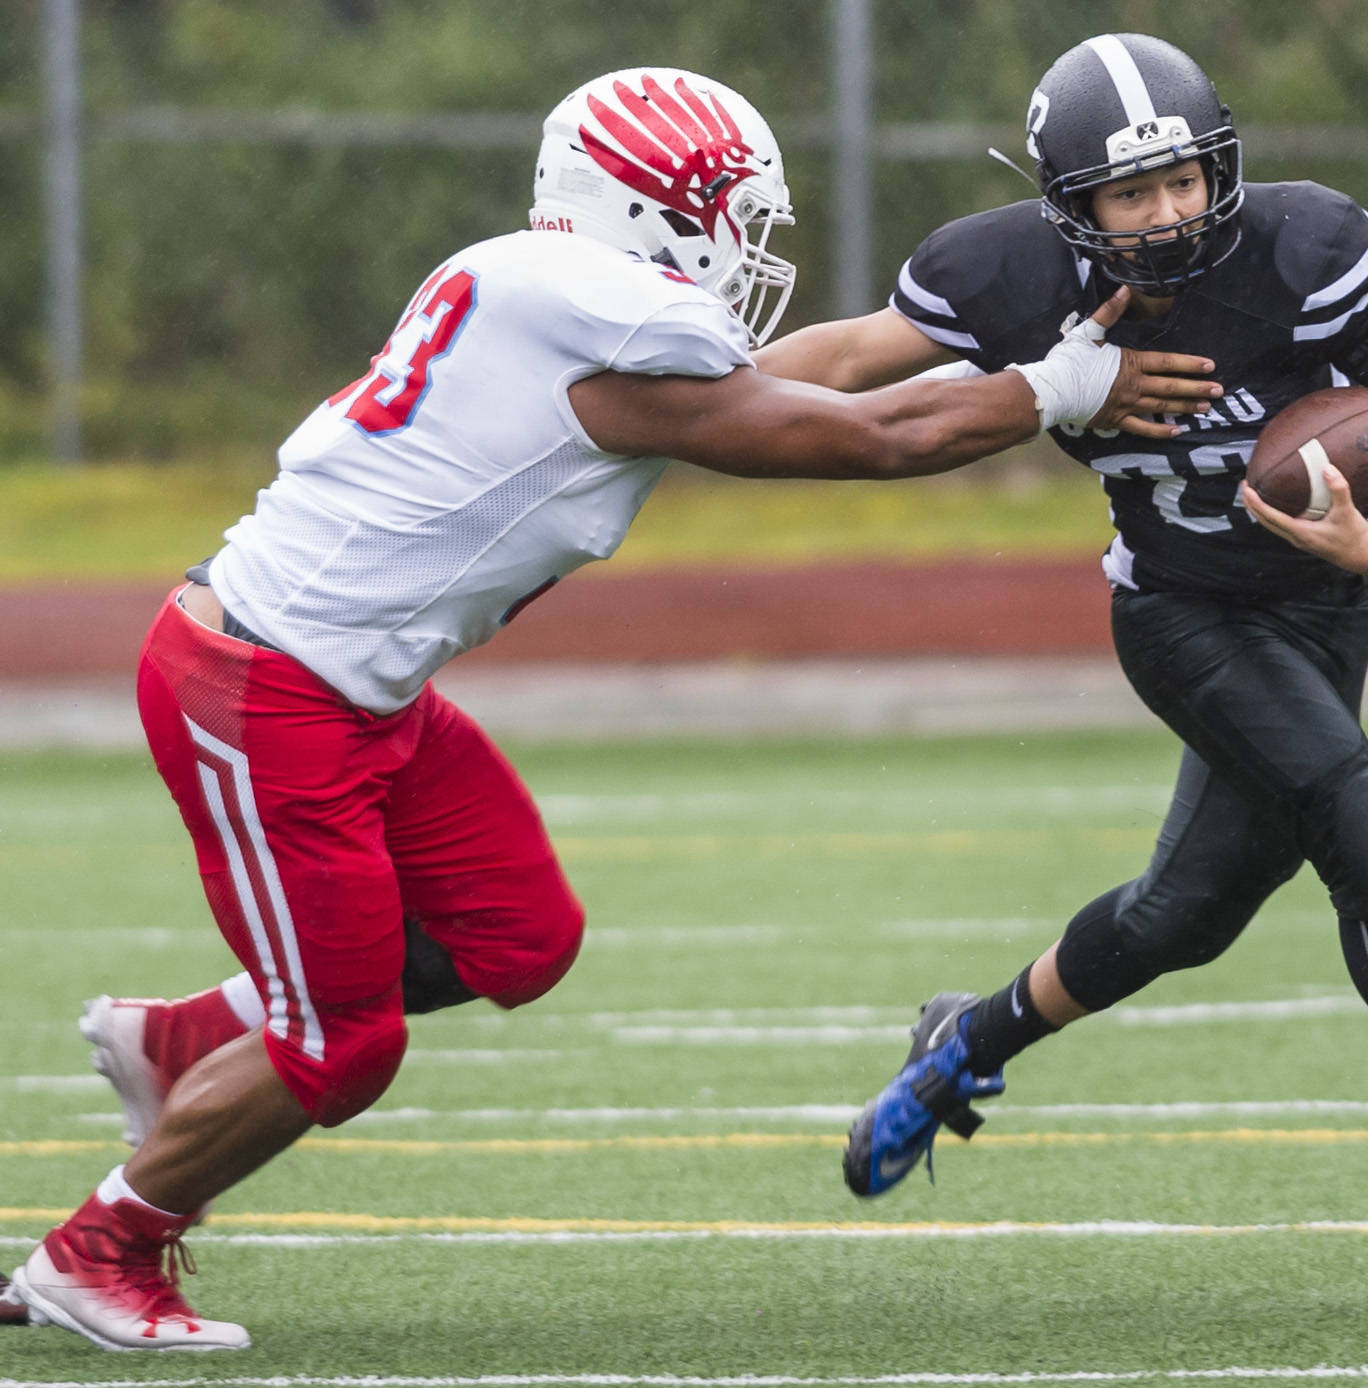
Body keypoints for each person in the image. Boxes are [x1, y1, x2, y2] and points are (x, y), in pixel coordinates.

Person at [8, 65, 1219, 1352]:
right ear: (654, 209)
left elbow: (805, 401)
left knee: (515, 933)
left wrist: (1018, 375)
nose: (749, 249)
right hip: (268, 683)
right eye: (736, 217)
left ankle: (188, 1038)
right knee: (342, 1047)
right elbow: (873, 440)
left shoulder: (536, 284)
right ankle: (98, 1250)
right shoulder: (607, 329)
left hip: (358, 685)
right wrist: (1056, 387)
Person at [755, 33, 1368, 1235]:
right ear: (1069, 203)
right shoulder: (1006, 275)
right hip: (1181, 611)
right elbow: (837, 359)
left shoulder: (1298, 254)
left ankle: (960, 1044)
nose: (1166, 214)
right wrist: (680, 395)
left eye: (1184, 180)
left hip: (1324, 611)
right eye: (1130, 192)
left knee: (1180, 917)